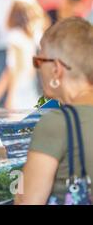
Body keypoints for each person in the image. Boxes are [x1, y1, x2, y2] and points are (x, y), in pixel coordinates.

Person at [15, 17, 93, 205]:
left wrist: (19, 179)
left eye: (39, 61)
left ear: (57, 69)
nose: (38, 69)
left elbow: (28, 201)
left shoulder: (58, 123)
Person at [0, 1, 49, 109]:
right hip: (31, 85)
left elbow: (14, 68)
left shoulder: (15, 36)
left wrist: (10, 95)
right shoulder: (32, 37)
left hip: (20, 87)